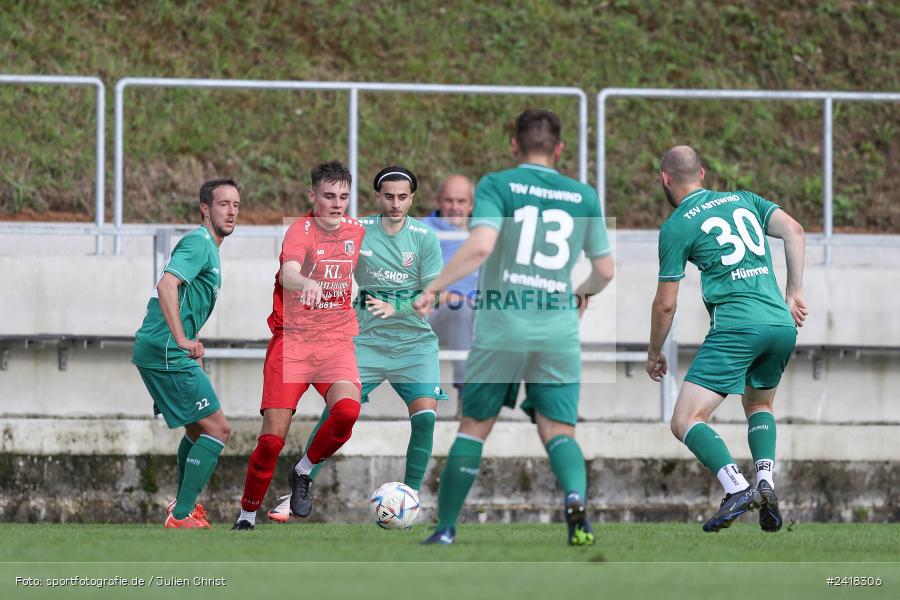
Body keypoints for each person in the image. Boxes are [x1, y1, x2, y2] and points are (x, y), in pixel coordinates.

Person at [417, 109, 615, 545]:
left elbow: (482, 245)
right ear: (559, 149)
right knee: (558, 430)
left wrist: (432, 288)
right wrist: (579, 296)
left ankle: (447, 529)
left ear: (514, 145)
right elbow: (604, 268)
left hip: (502, 326)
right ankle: (576, 498)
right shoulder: (583, 195)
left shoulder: (497, 184)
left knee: (474, 426)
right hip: (557, 329)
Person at [264, 166, 448, 522]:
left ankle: (407, 501)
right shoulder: (357, 231)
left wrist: (398, 306)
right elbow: (314, 246)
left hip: (414, 345)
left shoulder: (424, 237)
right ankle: (301, 481)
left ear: (413, 198)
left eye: (403, 197)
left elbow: (434, 295)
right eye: (388, 196)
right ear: (377, 197)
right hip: (365, 341)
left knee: (425, 419)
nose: (395, 203)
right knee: (340, 410)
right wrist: (305, 283)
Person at [645, 145, 807, 533]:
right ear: (702, 173)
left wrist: (653, 351)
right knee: (759, 404)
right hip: (781, 325)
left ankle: (736, 487)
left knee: (685, 419)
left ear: (665, 179)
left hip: (737, 327)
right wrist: (794, 294)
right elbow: (794, 231)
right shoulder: (745, 199)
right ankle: (765, 481)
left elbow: (665, 305)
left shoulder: (677, 225)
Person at [232, 161, 365, 530]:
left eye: (343, 197)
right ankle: (246, 515)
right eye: (328, 196)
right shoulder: (300, 232)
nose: (336, 204)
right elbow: (290, 269)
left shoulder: (357, 230)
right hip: (293, 343)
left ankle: (303, 471)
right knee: (272, 441)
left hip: (335, 341)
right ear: (312, 196)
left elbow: (388, 241)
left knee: (348, 412)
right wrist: (302, 281)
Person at [132, 177, 240, 529]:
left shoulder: (209, 247)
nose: (231, 211)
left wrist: (187, 341)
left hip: (162, 347)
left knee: (198, 432)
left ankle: (184, 508)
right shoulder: (199, 243)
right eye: (223, 204)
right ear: (205, 208)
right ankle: (181, 514)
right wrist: (179, 339)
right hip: (165, 347)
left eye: (236, 205)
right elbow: (166, 284)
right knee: (218, 430)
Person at [421, 175, 476, 397]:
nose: (454, 207)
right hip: (437, 313)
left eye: (461, 201)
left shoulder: (483, 233)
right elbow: (418, 289)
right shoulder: (423, 232)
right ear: (438, 201)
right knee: (461, 310)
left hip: (481, 312)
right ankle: (469, 397)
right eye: (449, 200)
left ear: (471, 204)